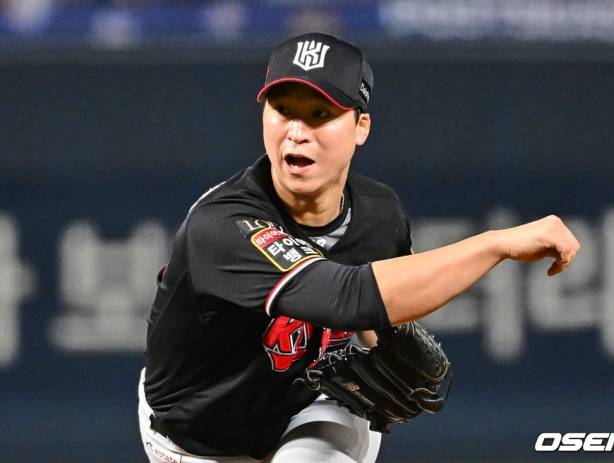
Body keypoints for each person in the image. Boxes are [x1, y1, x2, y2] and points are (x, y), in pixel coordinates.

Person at [137, 32, 580, 463]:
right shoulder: (222, 224)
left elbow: (374, 317)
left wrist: (384, 336)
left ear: (360, 127)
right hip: (197, 440)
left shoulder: (379, 213)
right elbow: (346, 296)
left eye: (320, 113)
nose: (296, 132)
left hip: (307, 407)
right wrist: (496, 244)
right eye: (282, 109)